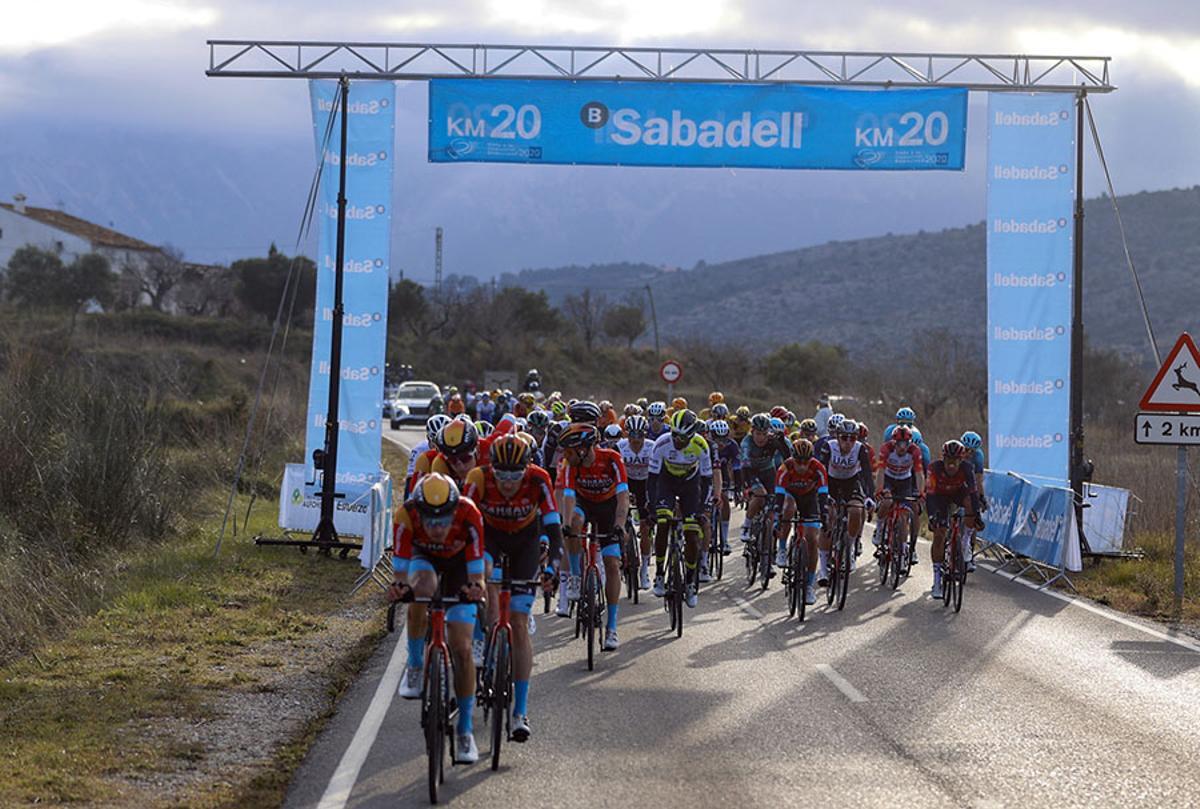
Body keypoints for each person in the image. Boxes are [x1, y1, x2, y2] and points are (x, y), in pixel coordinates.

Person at [464, 435, 561, 742]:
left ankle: (520, 711)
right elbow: (463, 520)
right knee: (487, 580)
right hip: (489, 537)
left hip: (525, 543)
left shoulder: (539, 478)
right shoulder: (478, 477)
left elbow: (555, 528)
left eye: (514, 475)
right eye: (501, 474)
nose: (507, 482)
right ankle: (483, 635)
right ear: (492, 468)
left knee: (518, 623)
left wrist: (551, 569)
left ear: (526, 468)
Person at [390, 473, 486, 764]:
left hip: (460, 564)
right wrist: (398, 590)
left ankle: (466, 729)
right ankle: (417, 664)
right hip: (424, 559)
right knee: (419, 590)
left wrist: (476, 588)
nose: (436, 528)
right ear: (418, 511)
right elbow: (399, 576)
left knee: (462, 647)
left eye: (442, 520)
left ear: (454, 509)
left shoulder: (470, 513)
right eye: (429, 520)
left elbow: (477, 575)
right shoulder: (405, 515)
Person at [557, 422, 630, 651]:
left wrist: (619, 524)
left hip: (609, 508)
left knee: (611, 563)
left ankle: (612, 627)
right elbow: (568, 496)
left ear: (585, 448)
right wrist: (567, 525)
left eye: (570, 450)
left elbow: (623, 496)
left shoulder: (611, 459)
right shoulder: (571, 465)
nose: (567, 455)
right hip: (583, 504)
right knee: (575, 524)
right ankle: (577, 578)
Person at [648, 409, 715, 608]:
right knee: (662, 523)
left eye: (683, 437)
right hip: (666, 482)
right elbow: (651, 480)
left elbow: (707, 480)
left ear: (692, 435)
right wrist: (652, 507)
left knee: (693, 534)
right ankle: (659, 574)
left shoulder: (701, 445)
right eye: (675, 435)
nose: (678, 441)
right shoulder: (662, 443)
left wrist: (703, 509)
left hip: (690, 486)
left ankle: (690, 582)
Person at [815, 419, 873, 586]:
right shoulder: (829, 446)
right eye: (844, 438)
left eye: (852, 438)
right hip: (831, 482)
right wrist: (822, 496)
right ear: (838, 437)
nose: (848, 442)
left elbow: (868, 474)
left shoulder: (860, 449)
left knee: (856, 510)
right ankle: (824, 568)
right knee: (829, 520)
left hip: (851, 483)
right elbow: (822, 471)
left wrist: (870, 496)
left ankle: (851, 547)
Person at [925, 440, 985, 599]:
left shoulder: (967, 468)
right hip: (939, 498)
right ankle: (937, 580)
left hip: (958, 494)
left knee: (970, 504)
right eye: (948, 461)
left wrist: (977, 515)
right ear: (943, 459)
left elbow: (973, 493)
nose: (951, 465)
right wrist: (932, 516)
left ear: (961, 460)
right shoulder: (933, 468)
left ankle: (965, 543)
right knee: (939, 534)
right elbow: (930, 495)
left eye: (955, 461)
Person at [774, 438, 828, 605]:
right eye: (799, 461)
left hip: (810, 499)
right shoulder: (785, 468)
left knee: (812, 539)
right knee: (787, 509)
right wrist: (778, 516)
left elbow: (823, 494)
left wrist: (824, 514)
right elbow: (779, 496)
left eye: (806, 461)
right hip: (790, 496)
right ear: (793, 459)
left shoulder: (818, 468)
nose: (803, 466)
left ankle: (809, 585)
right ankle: (782, 549)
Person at [873, 425, 925, 559]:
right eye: (899, 444)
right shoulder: (886, 449)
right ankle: (879, 530)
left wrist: (921, 493)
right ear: (893, 442)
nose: (902, 447)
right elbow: (880, 471)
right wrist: (879, 489)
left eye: (905, 444)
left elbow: (919, 474)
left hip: (904, 481)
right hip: (888, 479)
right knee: (887, 502)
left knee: (904, 515)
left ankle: (902, 549)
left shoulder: (915, 451)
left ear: (910, 443)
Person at [617, 414, 656, 590]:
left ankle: (645, 570)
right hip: (626, 483)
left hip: (646, 485)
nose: (635, 440)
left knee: (645, 527)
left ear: (645, 435)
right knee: (620, 524)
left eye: (639, 435)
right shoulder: (620, 447)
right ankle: (622, 557)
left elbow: (658, 475)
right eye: (631, 435)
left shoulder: (652, 448)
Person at [740, 413, 789, 543]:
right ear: (752, 432)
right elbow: (744, 465)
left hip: (769, 472)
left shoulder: (772, 440)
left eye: (764, 434)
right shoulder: (747, 442)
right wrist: (747, 485)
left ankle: (769, 547)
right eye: (758, 434)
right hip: (751, 472)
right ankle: (746, 526)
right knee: (760, 496)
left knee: (773, 506)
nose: (761, 438)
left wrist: (782, 442)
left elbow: (788, 457)